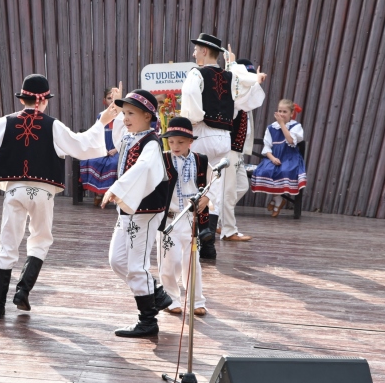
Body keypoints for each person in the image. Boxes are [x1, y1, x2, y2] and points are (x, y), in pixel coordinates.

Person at [0, 74, 114, 319]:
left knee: (8, 242)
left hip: (15, 190)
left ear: (23, 99)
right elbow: (82, 145)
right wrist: (102, 123)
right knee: (40, 239)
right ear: (44, 101)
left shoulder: (5, 122)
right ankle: (22, 291)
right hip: (43, 191)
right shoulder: (53, 125)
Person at [180, 33, 266, 260]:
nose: (194, 53)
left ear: (205, 51)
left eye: (196, 49)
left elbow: (189, 95)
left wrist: (192, 118)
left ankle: (201, 233)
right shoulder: (230, 77)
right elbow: (249, 100)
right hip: (224, 139)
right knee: (214, 187)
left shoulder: (196, 73)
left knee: (196, 185)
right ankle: (208, 243)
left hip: (202, 133)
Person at [101, 86, 171, 338]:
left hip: (146, 209)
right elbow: (114, 126)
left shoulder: (151, 143)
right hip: (129, 210)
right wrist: (107, 117)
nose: (125, 118)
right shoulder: (130, 136)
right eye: (124, 113)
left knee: (136, 264)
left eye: (131, 113)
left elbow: (142, 169)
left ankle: (148, 320)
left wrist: (117, 188)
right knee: (117, 260)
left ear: (148, 117)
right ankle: (156, 292)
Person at [157, 117, 211, 317]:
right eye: (171, 142)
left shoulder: (201, 160)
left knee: (192, 260)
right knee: (168, 261)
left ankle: (197, 300)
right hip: (168, 219)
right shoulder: (163, 159)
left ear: (190, 141)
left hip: (191, 219)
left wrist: (206, 197)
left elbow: (212, 183)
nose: (175, 146)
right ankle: (171, 299)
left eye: (180, 142)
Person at [218, 58, 264, 239]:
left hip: (237, 151)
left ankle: (217, 218)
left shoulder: (243, 101)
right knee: (228, 191)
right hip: (228, 149)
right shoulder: (233, 99)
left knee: (242, 186)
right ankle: (228, 230)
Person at [250, 99, 306, 216]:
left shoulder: (296, 126)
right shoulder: (271, 128)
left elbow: (291, 140)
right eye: (279, 111)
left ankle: (276, 200)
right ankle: (278, 199)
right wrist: (272, 158)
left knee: (284, 170)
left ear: (291, 113)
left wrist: (282, 124)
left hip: (290, 157)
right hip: (274, 157)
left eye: (284, 112)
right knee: (266, 170)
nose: (281, 114)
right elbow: (267, 148)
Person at [79, 88, 118, 205]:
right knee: (92, 160)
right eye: (109, 98)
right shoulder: (101, 115)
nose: (112, 101)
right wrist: (103, 148)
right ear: (104, 100)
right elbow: (97, 133)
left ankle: (110, 194)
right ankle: (98, 193)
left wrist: (116, 149)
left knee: (114, 163)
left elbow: (127, 135)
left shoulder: (123, 115)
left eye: (114, 98)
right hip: (103, 148)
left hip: (117, 149)